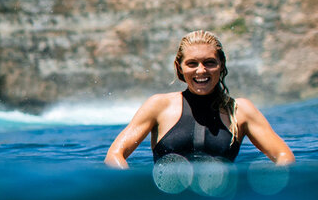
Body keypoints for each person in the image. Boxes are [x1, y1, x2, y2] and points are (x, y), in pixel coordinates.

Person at [105, 30, 295, 168]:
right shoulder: (159, 106)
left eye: (209, 63)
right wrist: (135, 191)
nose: (201, 70)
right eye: (192, 63)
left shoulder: (240, 110)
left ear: (221, 65)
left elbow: (284, 155)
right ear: (180, 68)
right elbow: (114, 155)